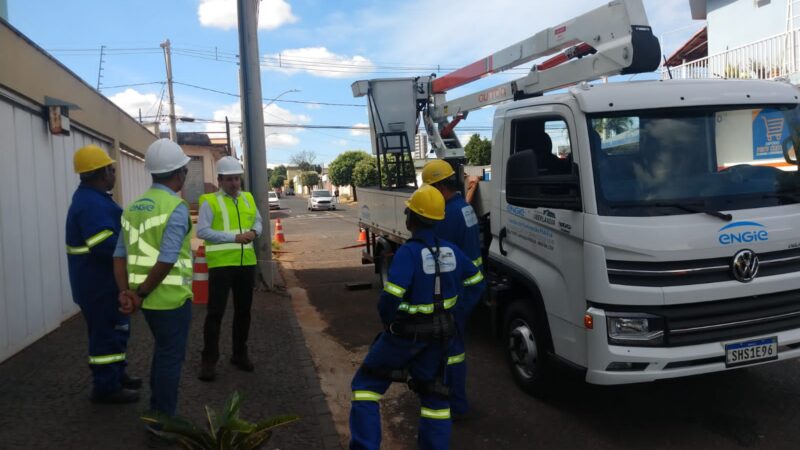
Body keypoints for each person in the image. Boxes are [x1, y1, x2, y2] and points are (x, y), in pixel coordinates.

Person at [349, 185, 485, 450]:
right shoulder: (453, 252)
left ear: (411, 219)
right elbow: (477, 282)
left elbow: (390, 298)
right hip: (440, 338)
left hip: (403, 338)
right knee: (435, 398)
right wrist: (456, 315)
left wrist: (388, 323)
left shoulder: (407, 254)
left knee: (365, 386)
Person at [113, 138, 193, 421]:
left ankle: (156, 412)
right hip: (169, 301)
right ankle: (162, 422)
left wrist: (127, 293)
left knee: (162, 354)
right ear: (179, 173)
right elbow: (168, 259)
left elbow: (119, 255)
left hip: (144, 300)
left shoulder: (132, 207)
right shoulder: (176, 207)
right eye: (185, 169)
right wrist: (141, 294)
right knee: (170, 360)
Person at [66, 145, 141, 404]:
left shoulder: (94, 198)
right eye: (111, 169)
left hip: (101, 283)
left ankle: (117, 375)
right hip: (98, 285)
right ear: (100, 173)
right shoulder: (91, 204)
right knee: (105, 335)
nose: (114, 173)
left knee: (116, 331)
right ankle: (106, 387)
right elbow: (105, 246)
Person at [421, 159, 486, 419]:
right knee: (455, 349)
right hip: (469, 286)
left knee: (448, 351)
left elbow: (435, 256)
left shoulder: (447, 215)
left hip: (455, 292)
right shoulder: (462, 207)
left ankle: (453, 405)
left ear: (438, 186)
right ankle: (456, 403)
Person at [197, 156, 263, 381]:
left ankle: (239, 353)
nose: (235, 183)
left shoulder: (248, 198)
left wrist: (254, 233)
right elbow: (202, 232)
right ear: (220, 180)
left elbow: (258, 221)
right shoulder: (210, 201)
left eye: (237, 178)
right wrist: (234, 238)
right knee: (215, 313)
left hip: (246, 263)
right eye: (229, 179)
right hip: (222, 265)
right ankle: (208, 361)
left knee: (243, 312)